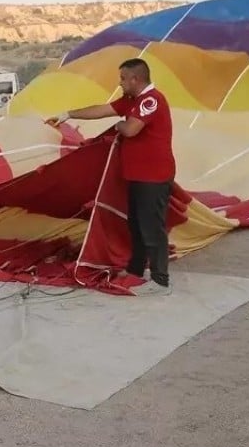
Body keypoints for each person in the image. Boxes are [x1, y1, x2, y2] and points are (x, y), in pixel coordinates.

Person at [47, 57, 175, 295]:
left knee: (151, 226)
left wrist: (118, 126)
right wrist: (68, 114)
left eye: (124, 79)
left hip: (153, 176)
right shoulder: (132, 100)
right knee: (136, 225)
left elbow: (131, 129)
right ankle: (136, 269)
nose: (121, 83)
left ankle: (160, 277)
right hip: (137, 175)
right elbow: (103, 109)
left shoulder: (151, 100)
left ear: (136, 79)